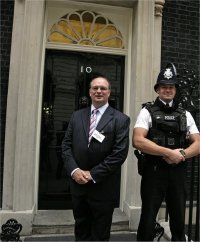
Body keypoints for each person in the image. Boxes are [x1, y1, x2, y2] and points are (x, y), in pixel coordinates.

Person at [132, 63, 200, 241]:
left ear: (175, 90)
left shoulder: (185, 114)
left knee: (178, 218)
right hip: (153, 171)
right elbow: (138, 140)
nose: (167, 90)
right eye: (164, 87)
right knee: (148, 217)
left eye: (171, 87)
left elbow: (198, 143)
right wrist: (168, 153)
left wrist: (182, 154)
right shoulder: (147, 111)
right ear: (157, 89)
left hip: (177, 172)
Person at [62, 74, 130, 241]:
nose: (99, 91)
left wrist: (92, 174)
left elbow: (119, 154)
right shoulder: (76, 116)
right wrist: (75, 171)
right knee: (81, 229)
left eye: (103, 88)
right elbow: (66, 147)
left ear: (109, 93)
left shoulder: (121, 119)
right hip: (78, 186)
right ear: (90, 92)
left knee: (100, 233)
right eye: (95, 88)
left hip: (103, 187)